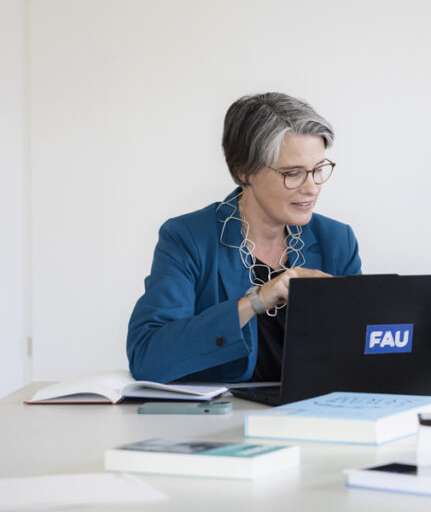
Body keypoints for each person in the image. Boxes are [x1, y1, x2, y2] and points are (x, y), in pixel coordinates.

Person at [127, 93, 361, 383]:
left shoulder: (337, 241)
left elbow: (361, 352)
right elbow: (148, 358)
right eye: (293, 173)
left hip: (315, 415)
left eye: (318, 170)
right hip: (220, 420)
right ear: (244, 171)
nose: (312, 188)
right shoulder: (187, 239)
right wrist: (257, 300)